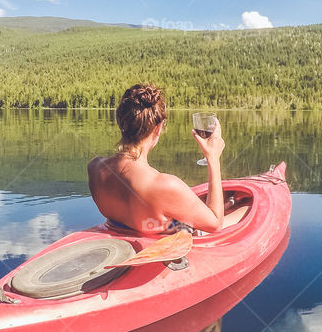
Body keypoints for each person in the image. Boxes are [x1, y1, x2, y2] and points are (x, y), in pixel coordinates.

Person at [87, 83, 226, 234]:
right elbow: (216, 224)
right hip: (161, 243)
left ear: (120, 121)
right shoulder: (165, 185)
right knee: (243, 209)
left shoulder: (95, 168)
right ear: (158, 128)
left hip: (125, 231)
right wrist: (213, 158)